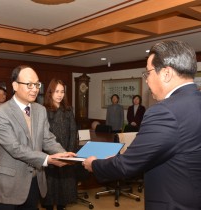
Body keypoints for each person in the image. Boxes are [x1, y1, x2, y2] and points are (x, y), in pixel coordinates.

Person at [82, 40, 201, 210]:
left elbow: (127, 165)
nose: (146, 81)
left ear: (166, 73)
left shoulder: (163, 112)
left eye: (148, 73)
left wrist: (94, 164)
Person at [0, 65, 75, 210]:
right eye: (29, 84)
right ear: (15, 85)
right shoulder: (0, 113)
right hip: (7, 184)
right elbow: (15, 148)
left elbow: (47, 138)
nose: (35, 89)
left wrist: (63, 154)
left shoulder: (40, 110)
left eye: (37, 84)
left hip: (34, 182)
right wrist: (47, 159)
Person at [42, 79, 78, 210]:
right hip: (49, 155)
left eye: (62, 91)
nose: (60, 94)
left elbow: (73, 132)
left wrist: (69, 153)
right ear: (50, 92)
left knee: (64, 191)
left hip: (66, 154)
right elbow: (42, 136)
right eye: (56, 91)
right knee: (50, 191)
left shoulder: (68, 110)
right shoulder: (43, 110)